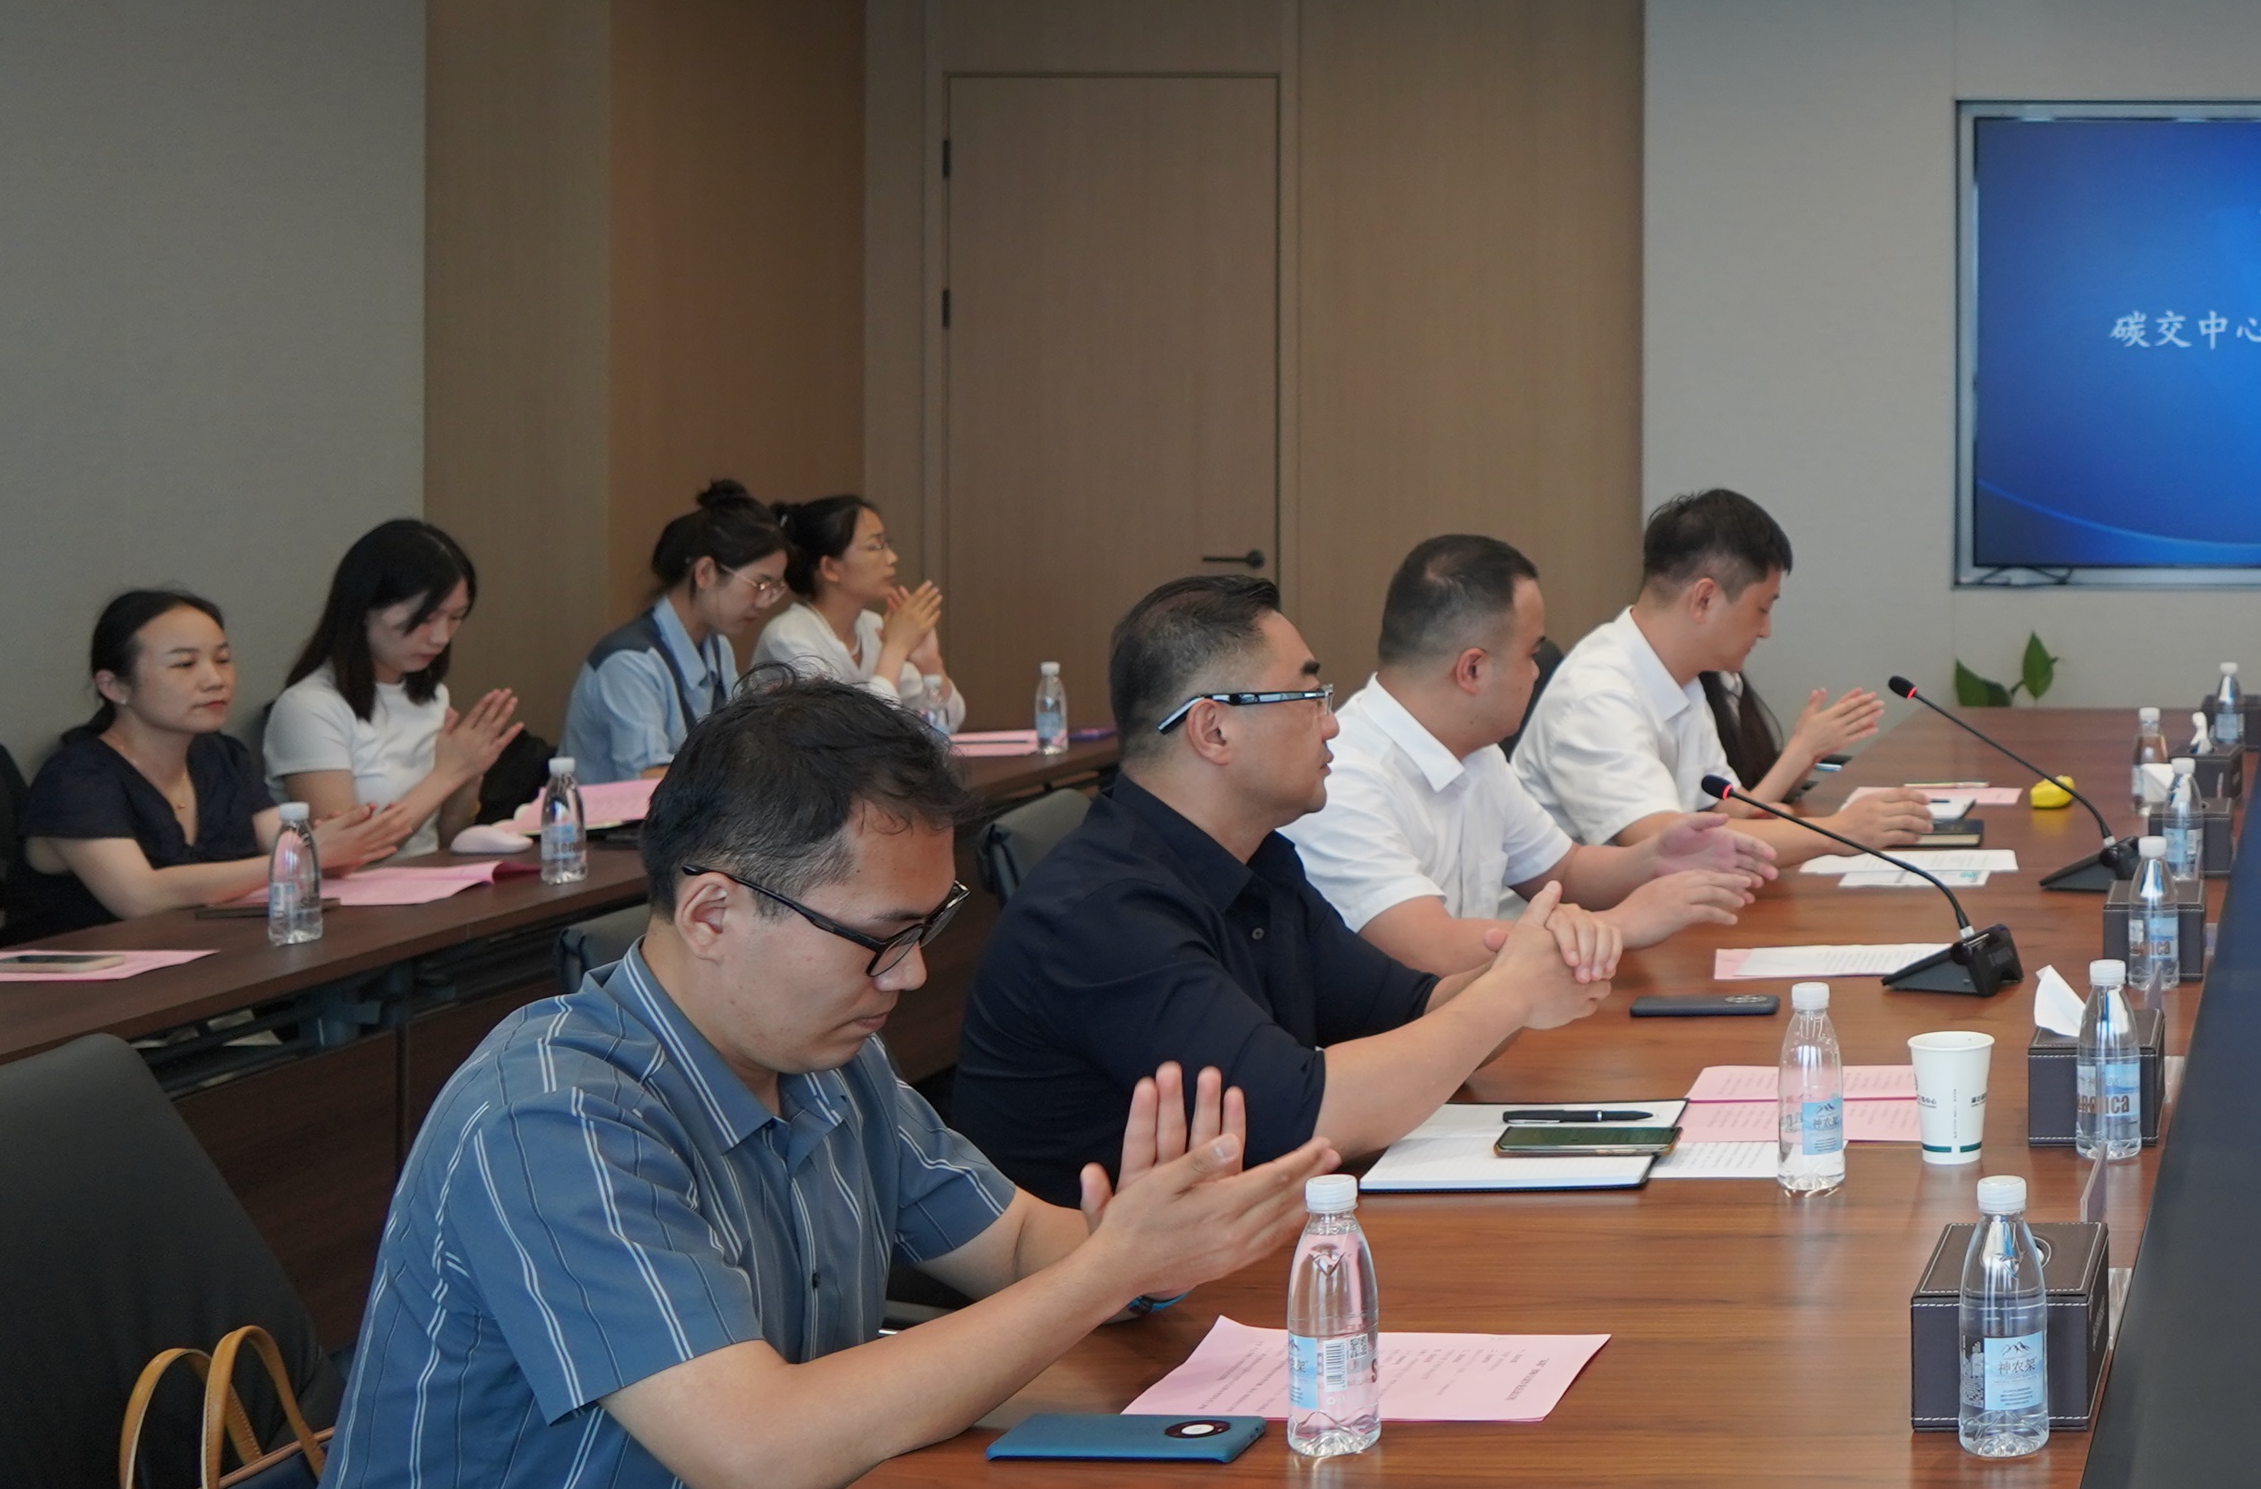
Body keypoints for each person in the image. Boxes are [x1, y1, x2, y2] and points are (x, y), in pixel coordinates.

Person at [271, 684, 1327, 1489]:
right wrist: (1105, 1272)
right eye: (881, 937)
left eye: (928, 928)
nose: (909, 977)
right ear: (713, 911)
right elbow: (760, 1454)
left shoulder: (825, 1061)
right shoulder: (555, 1114)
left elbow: (1021, 1245)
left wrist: (1151, 1240)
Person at [952, 574, 1619, 1203]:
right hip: (1112, 1281)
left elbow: (1416, 1011)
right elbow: (1306, 1115)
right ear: (1213, 729)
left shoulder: (1259, 860)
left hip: (1233, 1239)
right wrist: (1508, 994)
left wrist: (1530, 961)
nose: (1332, 724)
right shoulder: (1102, 914)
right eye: (1308, 698)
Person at [1293, 531, 1770, 975]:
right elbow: (1431, 947)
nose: (1538, 673)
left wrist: (1654, 858)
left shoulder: (1476, 753)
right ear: (1473, 670)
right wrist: (1620, 926)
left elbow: (1563, 870)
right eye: (1530, 654)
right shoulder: (1344, 777)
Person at [1518, 491, 1927, 865]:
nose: (1766, 631)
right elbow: (1666, 841)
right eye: (1762, 609)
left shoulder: (1682, 677)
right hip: (1561, 918)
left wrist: (1786, 813)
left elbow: (1724, 808)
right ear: (1705, 598)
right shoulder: (1598, 695)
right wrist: (1840, 832)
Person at [17, 589, 393, 937]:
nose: (215, 679)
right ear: (114, 686)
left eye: (223, 659)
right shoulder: (76, 777)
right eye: (184, 664)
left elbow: (282, 844)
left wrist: (335, 848)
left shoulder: (220, 755)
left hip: (214, 956)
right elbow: (140, 897)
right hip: (86, 977)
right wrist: (302, 856)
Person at [266, 518, 526, 856]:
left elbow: (446, 839)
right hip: (355, 888)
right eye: (424, 619)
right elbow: (345, 853)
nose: (441, 637)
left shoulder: (432, 697)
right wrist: (447, 774)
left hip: (430, 880)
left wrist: (470, 774)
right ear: (364, 608)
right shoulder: (308, 708)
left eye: (455, 617)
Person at [560, 482, 794, 783]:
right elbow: (646, 779)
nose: (764, 602)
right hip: (607, 813)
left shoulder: (717, 646)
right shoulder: (630, 662)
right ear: (705, 573)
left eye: (774, 588)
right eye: (759, 585)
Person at [753, 494, 961, 732]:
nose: (892, 558)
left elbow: (947, 723)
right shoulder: (788, 637)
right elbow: (853, 735)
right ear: (830, 568)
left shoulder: (871, 627)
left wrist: (930, 664)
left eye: (887, 544)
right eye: (875, 546)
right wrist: (895, 649)